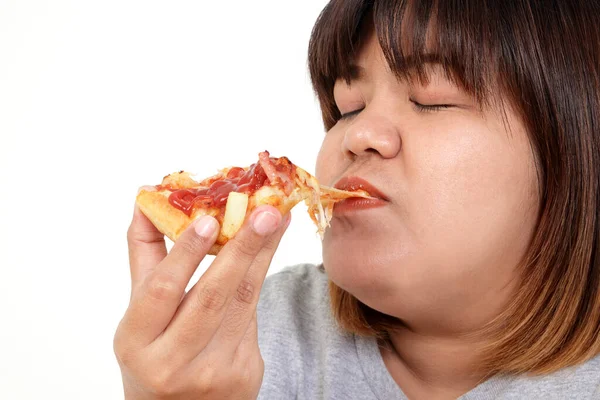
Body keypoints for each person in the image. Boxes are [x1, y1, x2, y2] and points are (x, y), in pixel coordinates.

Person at [113, 0, 600, 398]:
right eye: (348, 107)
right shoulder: (245, 336)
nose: (358, 134)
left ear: (575, 149)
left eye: (431, 100)